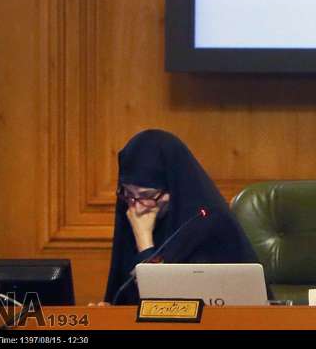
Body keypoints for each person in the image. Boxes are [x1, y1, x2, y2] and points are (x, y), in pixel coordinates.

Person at [103, 129, 263, 304]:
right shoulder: (132, 210)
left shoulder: (209, 224)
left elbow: (167, 304)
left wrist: (144, 242)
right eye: (127, 193)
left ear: (174, 187)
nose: (137, 208)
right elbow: (124, 295)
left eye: (147, 195)